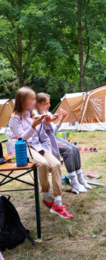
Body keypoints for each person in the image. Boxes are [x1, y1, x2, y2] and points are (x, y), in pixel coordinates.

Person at [9, 87, 73, 219]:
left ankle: (58, 204)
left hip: (39, 146)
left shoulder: (32, 113)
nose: (34, 101)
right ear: (22, 100)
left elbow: (42, 132)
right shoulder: (15, 117)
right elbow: (22, 138)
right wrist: (33, 125)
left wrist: (46, 122)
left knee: (55, 164)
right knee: (43, 163)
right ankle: (47, 197)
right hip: (24, 147)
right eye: (31, 99)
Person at [35, 93, 92, 193]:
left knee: (74, 148)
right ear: (38, 104)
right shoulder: (35, 117)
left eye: (49, 103)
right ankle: (74, 181)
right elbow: (40, 135)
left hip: (52, 137)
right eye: (46, 103)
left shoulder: (47, 114)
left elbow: (52, 131)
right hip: (45, 142)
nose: (48, 105)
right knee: (68, 150)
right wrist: (45, 122)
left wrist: (61, 119)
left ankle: (80, 178)